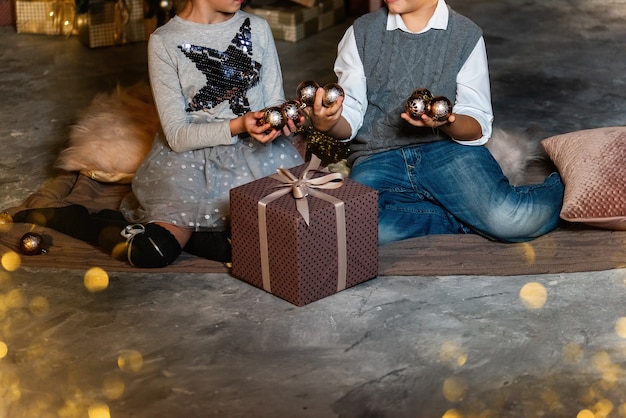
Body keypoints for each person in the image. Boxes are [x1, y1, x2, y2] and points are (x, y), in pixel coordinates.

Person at [13, 0, 303, 267]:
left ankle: (203, 237)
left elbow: (275, 102)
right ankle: (77, 219)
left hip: (256, 160)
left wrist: (280, 124)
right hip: (191, 165)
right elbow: (176, 135)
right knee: (153, 250)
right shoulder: (164, 40)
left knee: (276, 247)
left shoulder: (258, 27)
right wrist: (238, 125)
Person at [305, 0, 564, 245]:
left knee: (512, 221)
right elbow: (350, 115)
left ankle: (567, 185)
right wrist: (328, 124)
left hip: (449, 152)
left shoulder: (465, 35)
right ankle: (465, 219)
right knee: (356, 225)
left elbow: (476, 125)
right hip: (377, 158)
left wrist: (445, 122)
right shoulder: (361, 32)